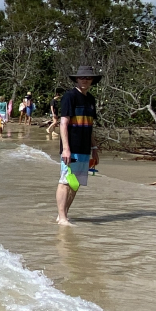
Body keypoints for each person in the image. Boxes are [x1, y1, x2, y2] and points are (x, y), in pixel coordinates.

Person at [54, 65, 101, 226]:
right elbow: (63, 123)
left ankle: (64, 214)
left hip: (84, 149)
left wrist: (94, 148)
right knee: (65, 181)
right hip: (71, 148)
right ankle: (62, 217)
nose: (84, 80)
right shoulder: (70, 96)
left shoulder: (91, 100)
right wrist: (66, 149)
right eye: (82, 77)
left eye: (88, 78)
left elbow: (90, 126)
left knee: (76, 183)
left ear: (92, 80)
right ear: (76, 79)